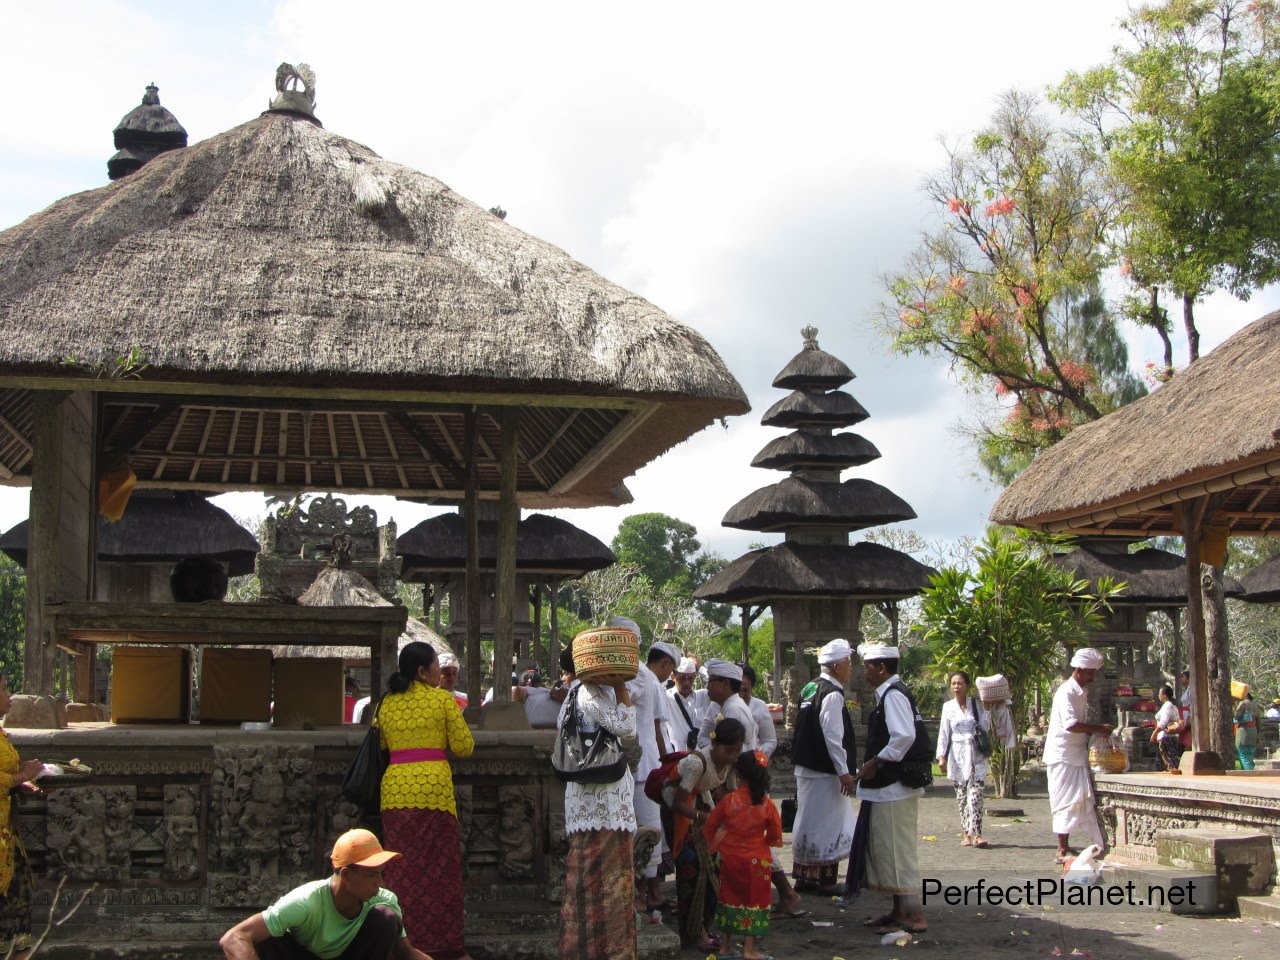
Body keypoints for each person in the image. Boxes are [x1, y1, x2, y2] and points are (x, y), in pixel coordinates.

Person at [377, 641, 475, 960]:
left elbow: (381, 742)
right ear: (422, 671)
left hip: (394, 793)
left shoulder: (387, 703)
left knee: (400, 872)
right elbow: (464, 747)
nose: (439, 671)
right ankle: (444, 946)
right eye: (436, 665)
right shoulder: (440, 700)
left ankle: (401, 945)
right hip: (433, 792)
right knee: (440, 874)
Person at [218, 829, 431, 960]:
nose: (381, 883)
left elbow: (407, 954)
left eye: (381, 874)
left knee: (386, 918)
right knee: (265, 938)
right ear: (346, 874)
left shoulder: (384, 900)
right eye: (372, 875)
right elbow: (233, 938)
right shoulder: (305, 902)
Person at [559, 638, 638, 960]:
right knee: (607, 885)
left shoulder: (575, 695)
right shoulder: (590, 695)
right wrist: (622, 689)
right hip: (602, 801)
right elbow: (628, 728)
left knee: (591, 880)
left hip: (591, 800)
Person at [852, 641, 930, 935]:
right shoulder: (891, 694)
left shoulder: (894, 696)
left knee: (899, 852)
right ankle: (899, 911)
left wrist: (876, 761)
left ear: (881, 667)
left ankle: (915, 915)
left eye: (868, 666)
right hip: (890, 787)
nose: (865, 672)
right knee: (890, 850)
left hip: (895, 785)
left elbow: (903, 736)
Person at [663, 717, 744, 951]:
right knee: (694, 870)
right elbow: (678, 803)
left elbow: (728, 794)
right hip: (681, 813)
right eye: (729, 750)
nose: (733, 756)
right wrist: (703, 817)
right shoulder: (696, 763)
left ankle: (704, 927)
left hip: (703, 807)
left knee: (715, 868)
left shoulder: (730, 764)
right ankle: (691, 932)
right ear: (715, 745)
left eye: (737, 751)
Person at [607, 617, 669, 912]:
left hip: (640, 767)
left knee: (643, 830)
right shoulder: (631, 672)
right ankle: (645, 890)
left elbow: (623, 707)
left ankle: (645, 892)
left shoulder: (637, 674)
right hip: (634, 764)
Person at [790, 638, 858, 894]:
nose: (851, 669)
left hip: (807, 766)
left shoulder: (809, 688)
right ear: (837, 666)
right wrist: (844, 772)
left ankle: (805, 876)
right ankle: (823, 880)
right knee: (827, 823)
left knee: (808, 820)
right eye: (848, 664)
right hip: (823, 770)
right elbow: (833, 736)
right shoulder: (832, 694)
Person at [705, 751, 782, 960]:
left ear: (739, 776)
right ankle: (749, 949)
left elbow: (710, 825)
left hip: (730, 857)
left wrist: (717, 844)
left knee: (728, 897)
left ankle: (725, 947)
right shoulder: (767, 804)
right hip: (757, 858)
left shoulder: (730, 800)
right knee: (754, 901)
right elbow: (775, 835)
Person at [1045, 648, 1113, 863]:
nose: (1092, 678)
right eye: (1090, 673)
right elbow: (1071, 725)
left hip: (1076, 753)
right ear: (1080, 670)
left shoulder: (1081, 691)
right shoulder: (1066, 692)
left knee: (1082, 799)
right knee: (1064, 801)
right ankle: (1062, 849)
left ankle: (1098, 843)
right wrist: (1098, 728)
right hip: (1062, 754)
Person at [935, 670, 1005, 849]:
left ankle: (978, 834)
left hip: (975, 754)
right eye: (954, 683)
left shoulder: (975, 705)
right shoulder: (948, 707)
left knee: (975, 796)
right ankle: (967, 833)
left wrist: (988, 709)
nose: (957, 686)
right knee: (961, 796)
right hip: (957, 754)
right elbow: (944, 733)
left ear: (967, 686)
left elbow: (985, 725)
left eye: (960, 683)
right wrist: (941, 756)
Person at [0, 673, 40, 957]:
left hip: (6, 831)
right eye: (3, 688)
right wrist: (22, 775)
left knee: (20, 897)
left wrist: (23, 780)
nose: (9, 694)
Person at [696, 659, 758, 752]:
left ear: (726, 683)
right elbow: (702, 737)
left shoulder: (734, 709)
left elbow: (736, 752)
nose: (707, 687)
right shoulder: (724, 705)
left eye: (711, 682)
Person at [739, 664, 778, 759]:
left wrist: (755, 756)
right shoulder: (719, 704)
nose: (741, 694)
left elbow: (770, 741)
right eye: (737, 690)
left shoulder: (759, 706)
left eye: (745, 690)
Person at [667, 657, 705, 751]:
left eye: (690, 678)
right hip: (675, 759)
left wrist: (700, 668)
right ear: (673, 677)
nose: (687, 683)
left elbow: (722, 684)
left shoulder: (703, 696)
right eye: (682, 678)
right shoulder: (667, 697)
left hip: (699, 758)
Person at [1151, 684, 1184, 772]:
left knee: (1170, 761)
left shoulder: (1167, 705)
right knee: (1161, 762)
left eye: (1159, 693)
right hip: (1168, 737)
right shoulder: (1170, 705)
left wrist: (1154, 733)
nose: (1158, 695)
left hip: (1166, 737)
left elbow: (1163, 722)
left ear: (1165, 695)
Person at [1234, 684, 1258, 770]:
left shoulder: (1243, 703)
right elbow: (1259, 721)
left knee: (1243, 756)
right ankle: (1251, 771)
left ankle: (1248, 774)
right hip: (1253, 732)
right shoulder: (1254, 703)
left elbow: (1236, 716)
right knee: (1250, 756)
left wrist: (1233, 704)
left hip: (1244, 732)